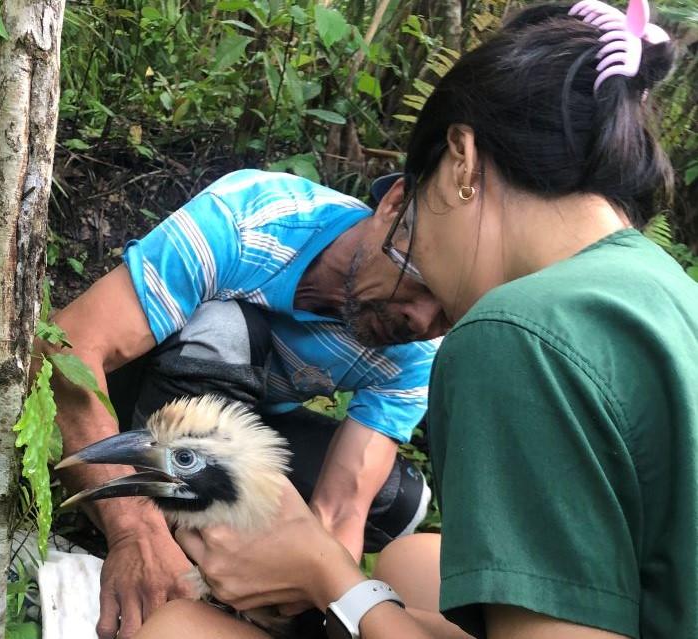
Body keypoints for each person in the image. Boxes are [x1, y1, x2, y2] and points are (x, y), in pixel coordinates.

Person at [135, 2, 698, 638]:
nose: (429, 304)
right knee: (408, 559)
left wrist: (332, 581)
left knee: (178, 628)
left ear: (460, 162)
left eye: (415, 224)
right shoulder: (662, 287)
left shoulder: (515, 332)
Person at [44, 164, 451, 638]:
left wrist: (306, 594)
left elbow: (340, 512)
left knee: (397, 497)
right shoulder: (253, 219)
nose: (421, 320)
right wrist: (133, 531)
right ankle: (155, 538)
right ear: (394, 205)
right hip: (153, 402)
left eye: (448, 309)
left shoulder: (418, 351)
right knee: (227, 329)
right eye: (419, 280)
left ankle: (216, 578)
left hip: (245, 424)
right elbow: (68, 346)